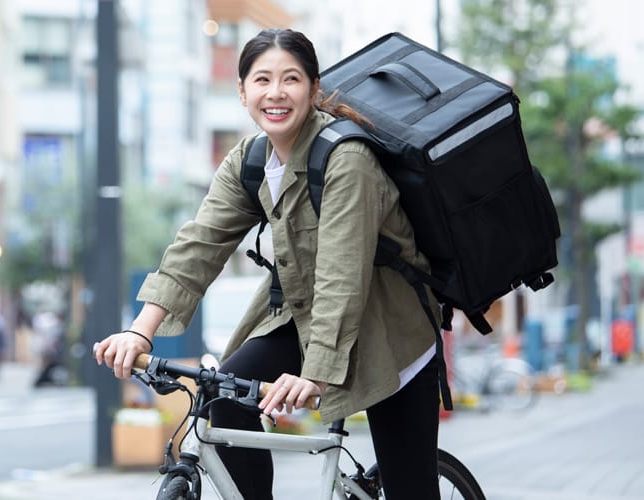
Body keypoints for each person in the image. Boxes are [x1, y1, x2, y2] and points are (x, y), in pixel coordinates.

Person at [93, 28, 442, 499]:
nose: (275, 93)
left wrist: (314, 376)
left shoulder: (348, 160)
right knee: (226, 398)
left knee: (410, 488)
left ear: (314, 89)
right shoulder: (250, 160)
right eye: (262, 80)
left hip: (388, 330)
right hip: (303, 317)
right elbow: (199, 245)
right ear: (242, 92)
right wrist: (141, 330)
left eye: (291, 79)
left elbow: (342, 279)